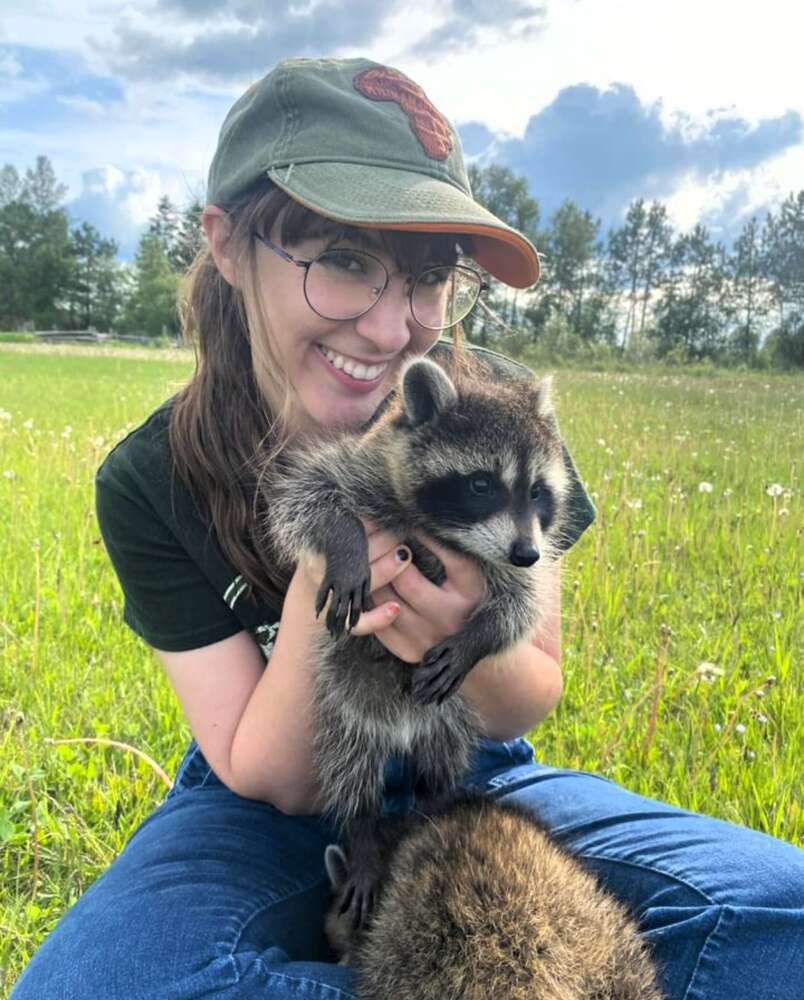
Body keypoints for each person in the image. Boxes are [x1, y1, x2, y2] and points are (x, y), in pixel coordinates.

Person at [11, 56, 803, 1000]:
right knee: (98, 984)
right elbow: (273, 777)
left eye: (430, 279)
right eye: (346, 261)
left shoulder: (499, 418)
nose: (394, 331)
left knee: (779, 915)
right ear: (226, 244)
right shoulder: (148, 479)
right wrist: (335, 574)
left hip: (461, 759)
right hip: (272, 799)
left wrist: (456, 628)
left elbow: (521, 692)